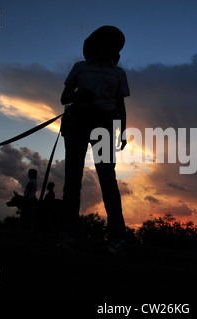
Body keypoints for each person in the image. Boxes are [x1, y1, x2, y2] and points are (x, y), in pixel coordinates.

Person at [59, 26, 129, 255]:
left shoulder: (119, 73)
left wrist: (123, 132)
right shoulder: (80, 68)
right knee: (72, 179)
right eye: (104, 42)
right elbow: (64, 98)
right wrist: (79, 95)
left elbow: (120, 105)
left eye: (112, 44)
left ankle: (117, 237)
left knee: (108, 179)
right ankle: (70, 233)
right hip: (78, 120)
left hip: (105, 124)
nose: (108, 47)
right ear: (95, 45)